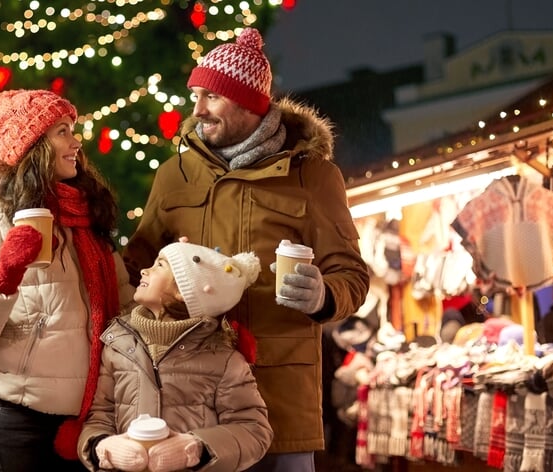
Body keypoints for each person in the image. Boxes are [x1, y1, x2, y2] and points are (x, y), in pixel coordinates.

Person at [122, 28, 369, 471]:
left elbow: (351, 274)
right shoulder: (174, 174)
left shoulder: (312, 176)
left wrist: (323, 296)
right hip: (191, 402)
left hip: (278, 398)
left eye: (211, 98)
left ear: (249, 103)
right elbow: (135, 266)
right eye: (195, 96)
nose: (197, 111)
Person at [0, 89, 133, 471]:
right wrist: (5, 276)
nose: (75, 142)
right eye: (62, 131)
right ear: (32, 146)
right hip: (20, 426)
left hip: (90, 424)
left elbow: (127, 308)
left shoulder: (88, 216)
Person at [79, 240, 273, 471]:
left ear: (183, 290)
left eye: (159, 265)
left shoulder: (223, 360)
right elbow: (101, 415)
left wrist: (196, 448)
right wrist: (102, 447)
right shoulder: (117, 345)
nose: (144, 270)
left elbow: (253, 429)